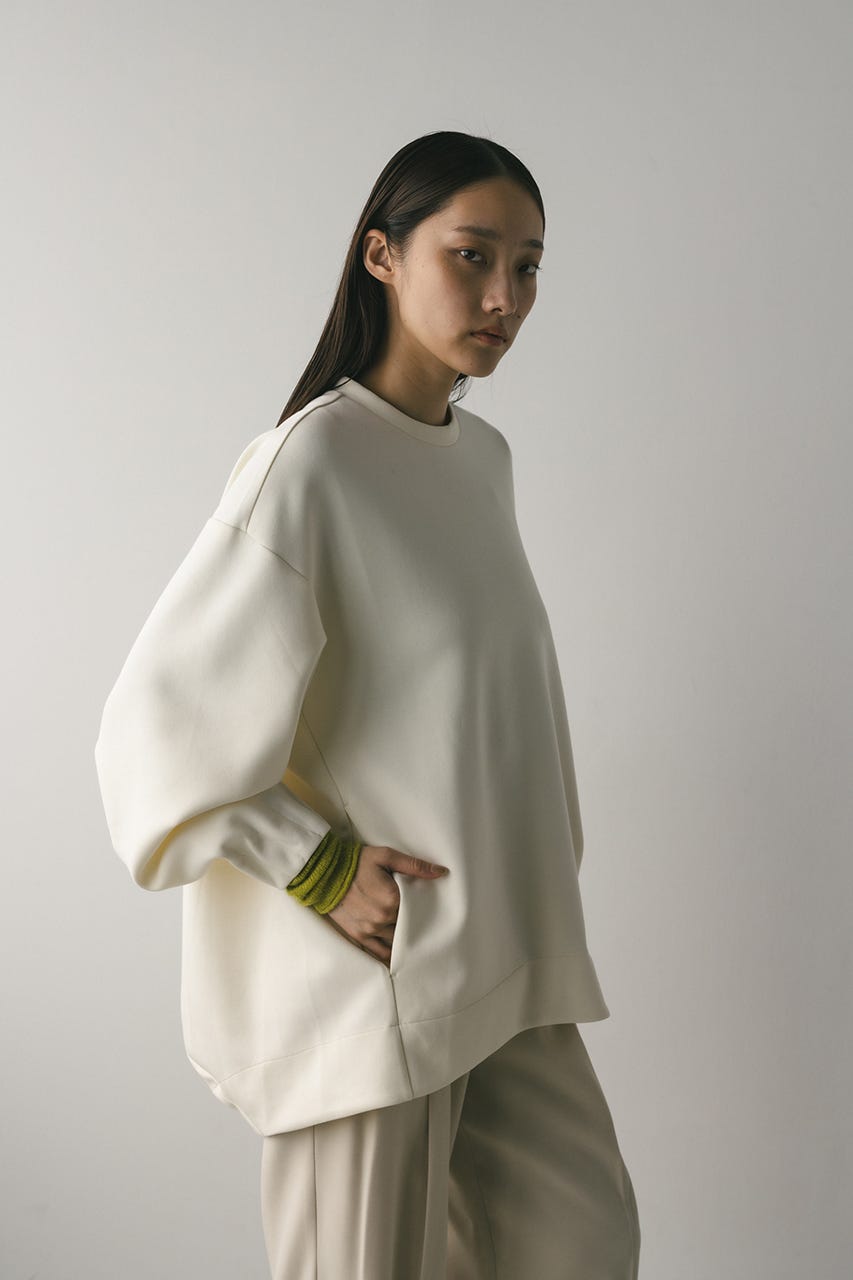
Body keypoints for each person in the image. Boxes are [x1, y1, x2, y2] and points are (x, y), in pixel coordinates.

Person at [94, 130, 641, 1279]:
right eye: (471, 255)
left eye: (528, 266)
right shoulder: (310, 463)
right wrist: (316, 865)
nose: (503, 297)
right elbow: (154, 727)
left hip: (505, 955)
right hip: (371, 985)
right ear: (381, 256)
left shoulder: (480, 459)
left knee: (582, 1243)